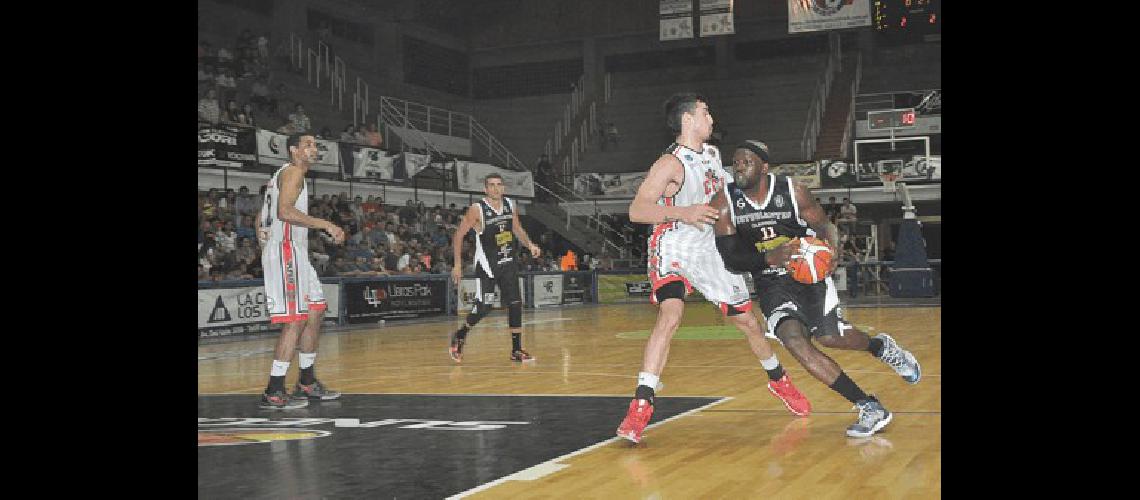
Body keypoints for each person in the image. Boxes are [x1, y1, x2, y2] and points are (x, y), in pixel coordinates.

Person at [616, 94, 809, 444]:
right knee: (670, 314)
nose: (712, 118)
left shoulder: (712, 155)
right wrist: (684, 212)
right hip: (673, 243)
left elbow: (728, 193)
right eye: (706, 112)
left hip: (709, 248)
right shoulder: (668, 164)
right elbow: (637, 210)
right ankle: (641, 403)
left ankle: (779, 380)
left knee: (748, 322)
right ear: (688, 119)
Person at [710, 139, 922, 438]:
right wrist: (767, 258)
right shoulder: (724, 203)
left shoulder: (793, 192)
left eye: (746, 161)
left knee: (830, 337)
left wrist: (832, 252)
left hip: (807, 274)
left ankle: (881, 347)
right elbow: (731, 259)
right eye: (736, 161)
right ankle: (868, 405)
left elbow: (826, 228)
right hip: (770, 281)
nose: (739, 166)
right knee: (794, 340)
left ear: (764, 167)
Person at [255, 133, 347, 409]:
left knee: (316, 309)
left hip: (294, 250)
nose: (313, 148)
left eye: (316, 144)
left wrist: (261, 232)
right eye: (307, 144)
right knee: (295, 320)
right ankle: (274, 389)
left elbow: (263, 215)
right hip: (285, 250)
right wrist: (326, 224)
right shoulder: (293, 172)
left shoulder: (282, 175)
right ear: (294, 150)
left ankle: (306, 380)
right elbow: (284, 212)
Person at [448, 173, 542, 363]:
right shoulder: (477, 209)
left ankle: (516, 350)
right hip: (487, 266)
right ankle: (460, 334)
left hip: (508, 263)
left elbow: (517, 229)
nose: (496, 188)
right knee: (484, 307)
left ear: (503, 188)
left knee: (515, 304)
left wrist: (530, 245)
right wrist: (457, 265)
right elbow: (458, 236)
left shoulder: (509, 205)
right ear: (485, 189)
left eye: (499, 185)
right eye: (491, 185)